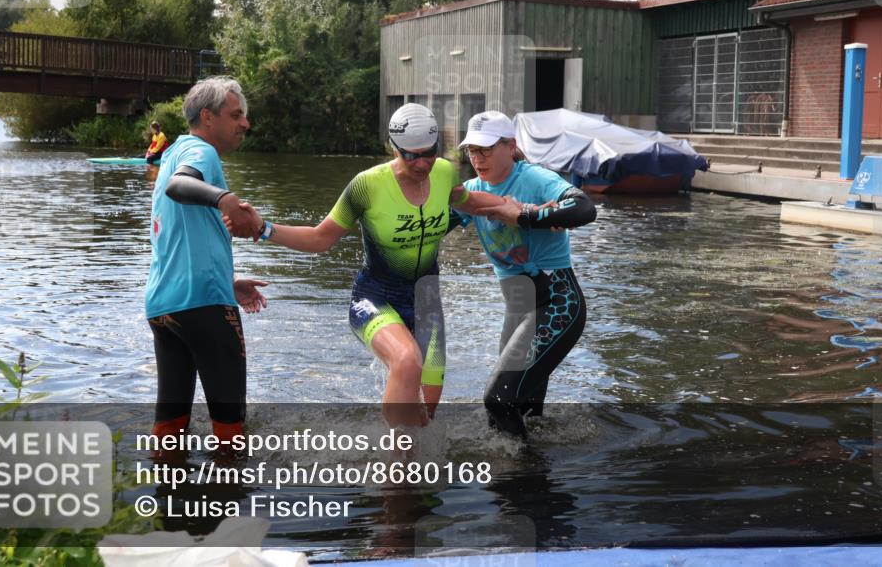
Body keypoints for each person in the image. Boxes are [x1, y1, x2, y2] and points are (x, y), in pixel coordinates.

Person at [227, 104, 502, 427]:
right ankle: (392, 469)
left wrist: (521, 208)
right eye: (412, 155)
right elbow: (320, 239)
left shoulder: (443, 173)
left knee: (426, 411)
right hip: (375, 298)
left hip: (426, 301)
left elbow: (468, 202)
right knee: (406, 361)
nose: (422, 163)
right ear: (394, 148)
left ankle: (410, 465)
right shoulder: (366, 186)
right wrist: (265, 229)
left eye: (429, 152)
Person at [456, 111, 597, 439]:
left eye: (486, 150)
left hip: (557, 303)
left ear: (510, 146)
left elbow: (584, 208)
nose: (478, 158)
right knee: (521, 410)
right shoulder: (472, 192)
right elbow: (431, 227)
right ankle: (527, 481)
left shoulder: (534, 179)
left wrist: (524, 215)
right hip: (517, 313)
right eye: (472, 151)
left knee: (498, 400)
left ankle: (525, 471)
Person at [145, 77, 268, 443]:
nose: (245, 123)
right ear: (207, 117)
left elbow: (179, 238)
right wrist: (225, 200)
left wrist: (225, 281)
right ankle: (227, 497)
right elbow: (178, 187)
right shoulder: (201, 153)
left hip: (165, 306)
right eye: (236, 115)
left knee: (170, 423)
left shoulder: (172, 154)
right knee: (231, 428)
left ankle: (164, 495)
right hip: (204, 305)